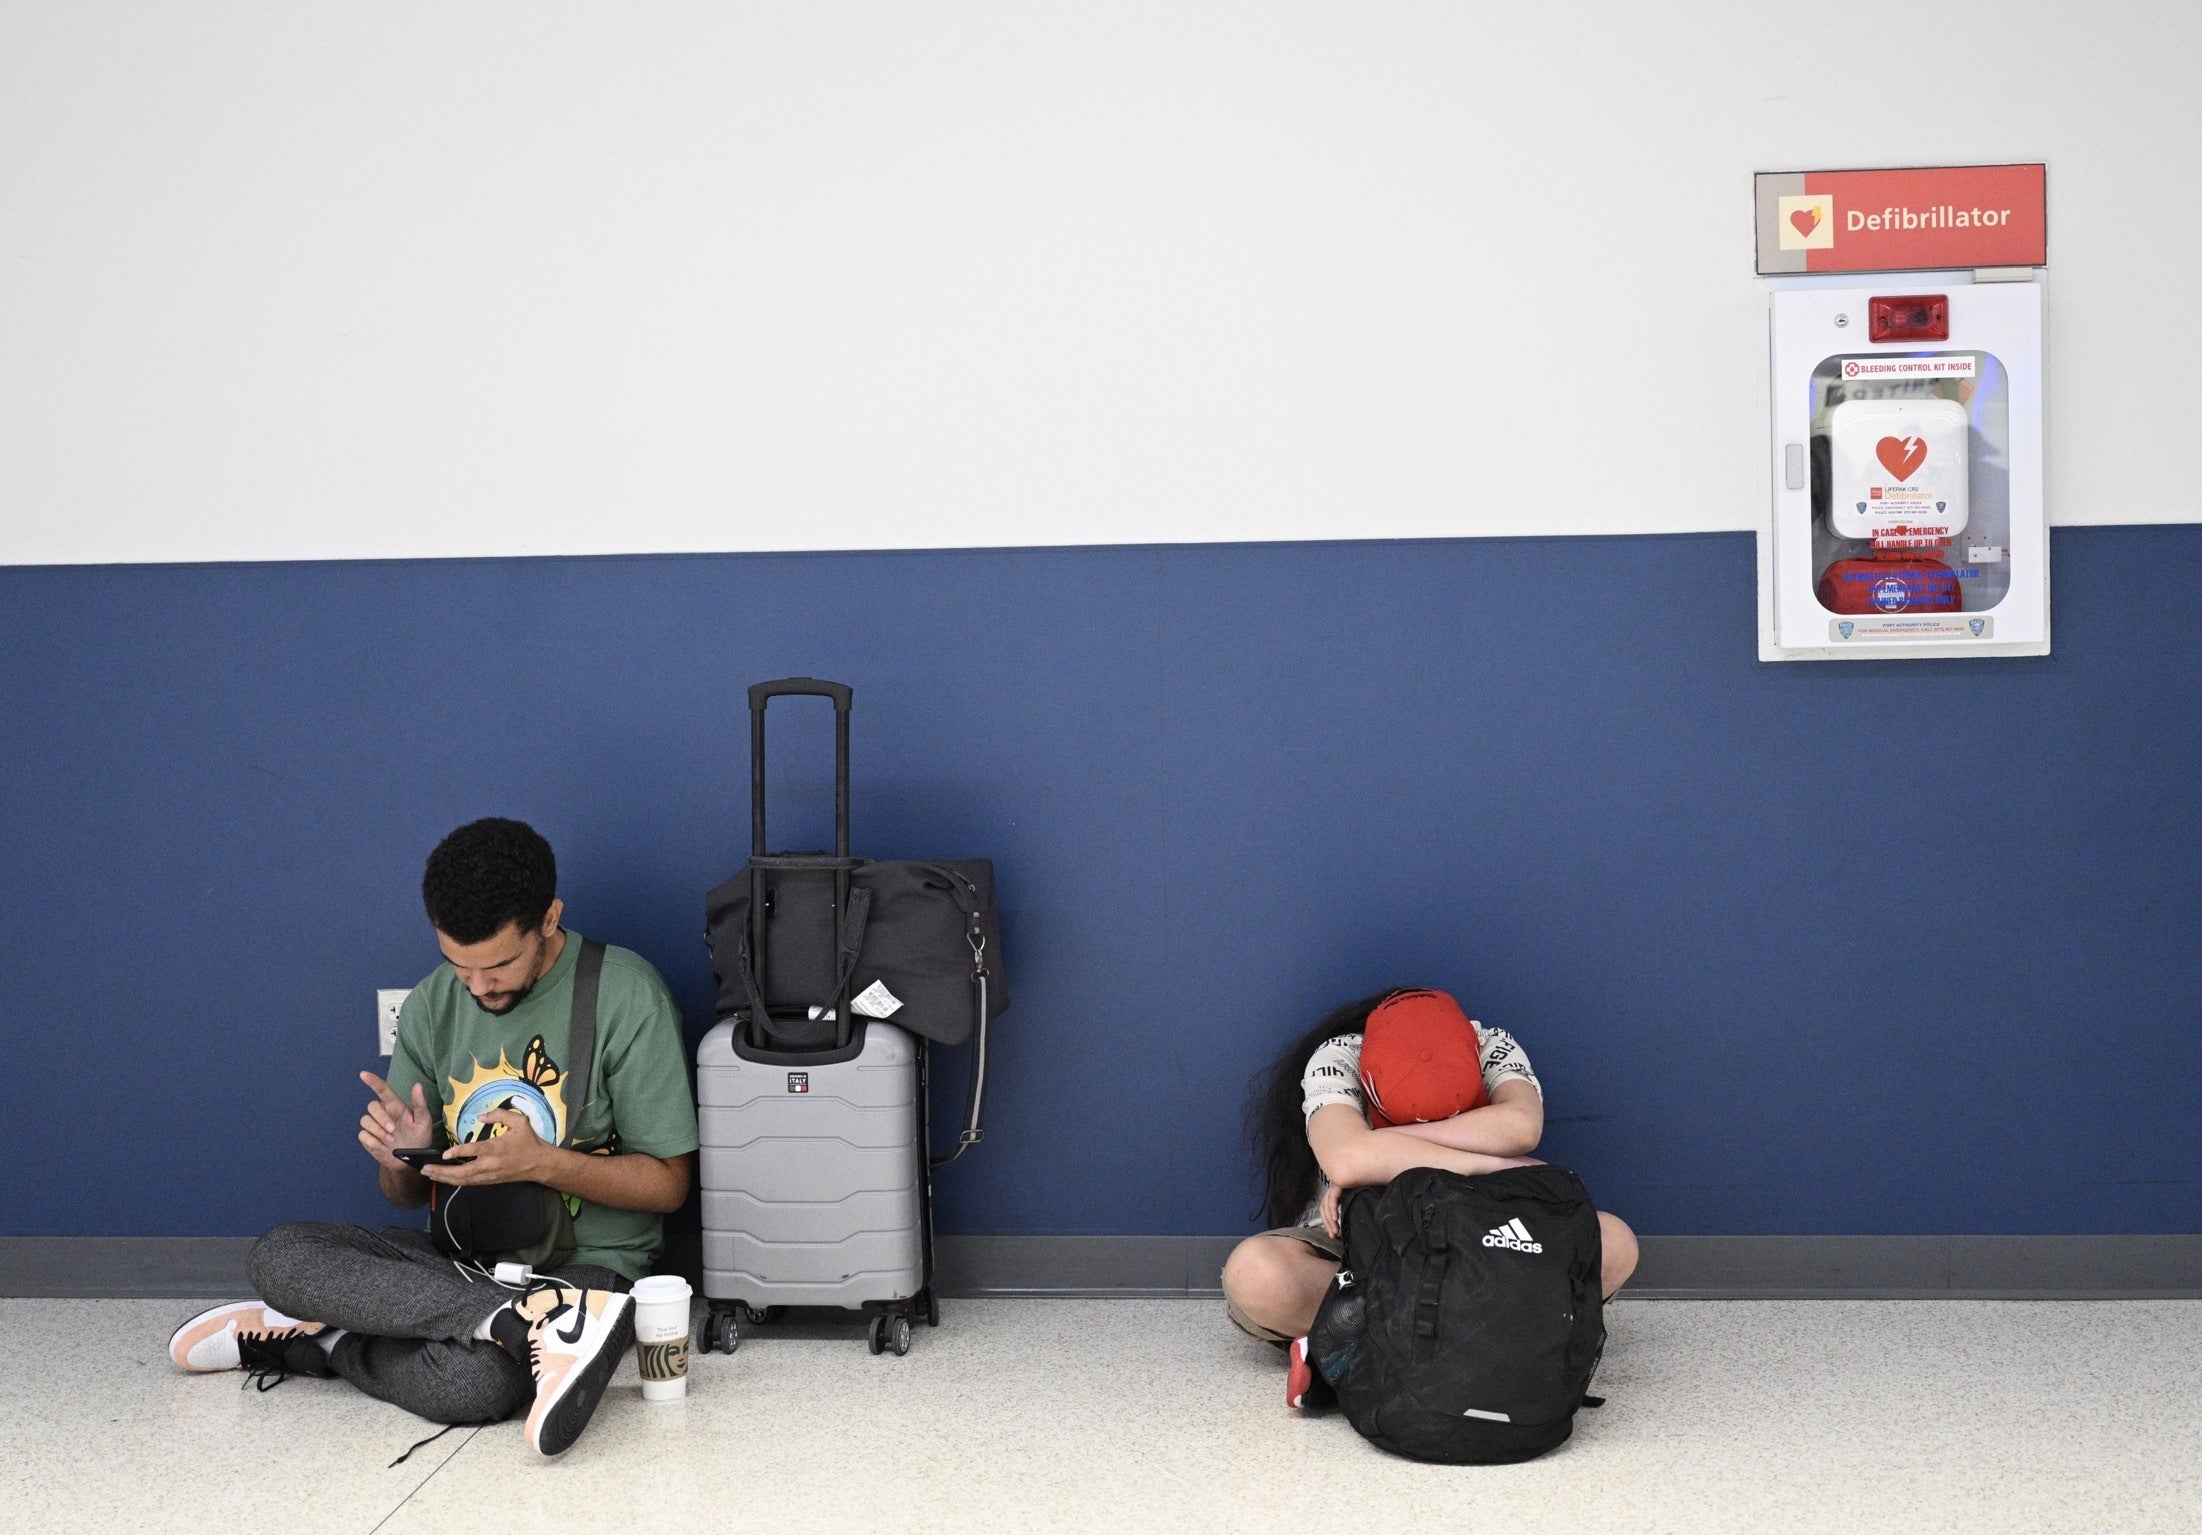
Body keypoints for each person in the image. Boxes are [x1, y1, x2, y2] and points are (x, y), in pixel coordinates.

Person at [167, 818, 701, 1459]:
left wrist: (542, 1163)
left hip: (585, 1274)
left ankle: (326, 1339)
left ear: (549, 920)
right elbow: (400, 1196)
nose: (478, 987)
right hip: (458, 1261)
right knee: (278, 1254)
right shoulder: (431, 1004)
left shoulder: (625, 995)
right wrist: (402, 1160)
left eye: (499, 965)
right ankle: (511, 1321)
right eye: (459, 966)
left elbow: (669, 1186)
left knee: (475, 1386)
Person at [1221, 987, 1639, 1405]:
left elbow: (1521, 1127)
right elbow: (1347, 1159)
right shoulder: (1340, 1056)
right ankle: (1484, 1350)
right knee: (1254, 1273)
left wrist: (1388, 1146)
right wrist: (1501, 1164)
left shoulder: (1491, 1043)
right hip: (1357, 1248)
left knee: (1615, 1243)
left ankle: (1351, 1348)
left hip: (1481, 1233)